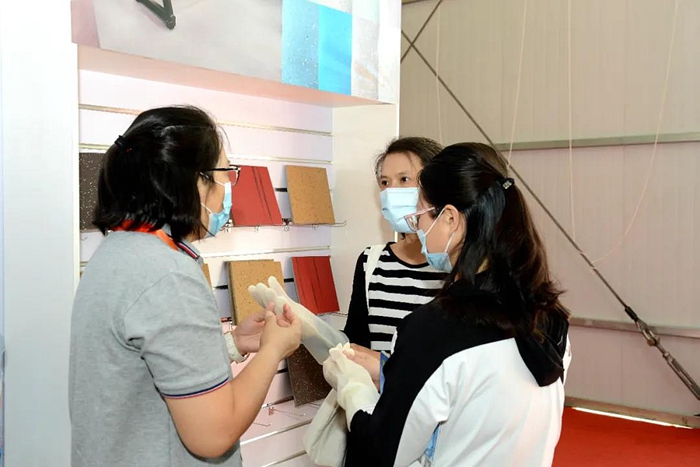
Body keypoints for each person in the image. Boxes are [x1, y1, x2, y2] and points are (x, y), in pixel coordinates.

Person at [69, 106, 301, 467]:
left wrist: (231, 344)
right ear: (194, 181)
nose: (227, 190)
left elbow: (144, 369)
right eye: (225, 174)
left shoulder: (120, 251)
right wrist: (273, 350)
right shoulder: (168, 276)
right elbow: (213, 434)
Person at [323, 143, 571, 466]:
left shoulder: (434, 328)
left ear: (450, 218)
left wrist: (352, 387)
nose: (418, 228)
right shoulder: (548, 316)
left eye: (421, 217)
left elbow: (383, 451)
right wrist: (390, 371)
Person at [343, 137, 445, 364]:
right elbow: (356, 341)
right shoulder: (371, 261)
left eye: (404, 179)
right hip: (376, 388)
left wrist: (386, 369)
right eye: (385, 182)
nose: (391, 191)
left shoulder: (456, 263)